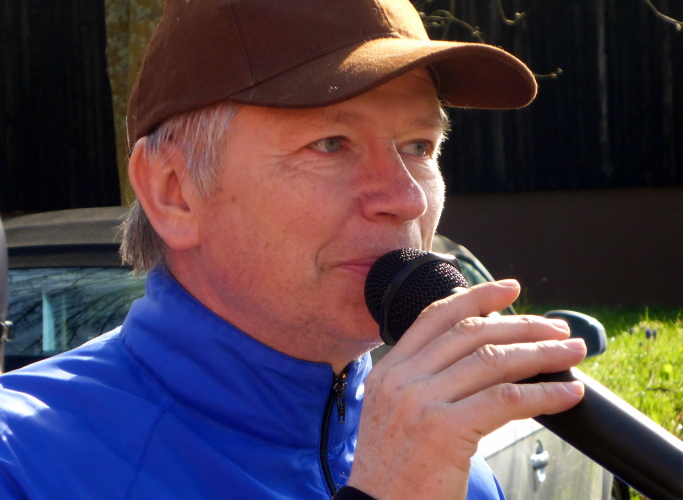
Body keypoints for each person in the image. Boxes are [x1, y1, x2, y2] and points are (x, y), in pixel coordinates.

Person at [0, 0, 587, 498]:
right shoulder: (22, 462)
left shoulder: (450, 466)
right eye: (330, 143)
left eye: (419, 146)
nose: (406, 199)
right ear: (173, 192)